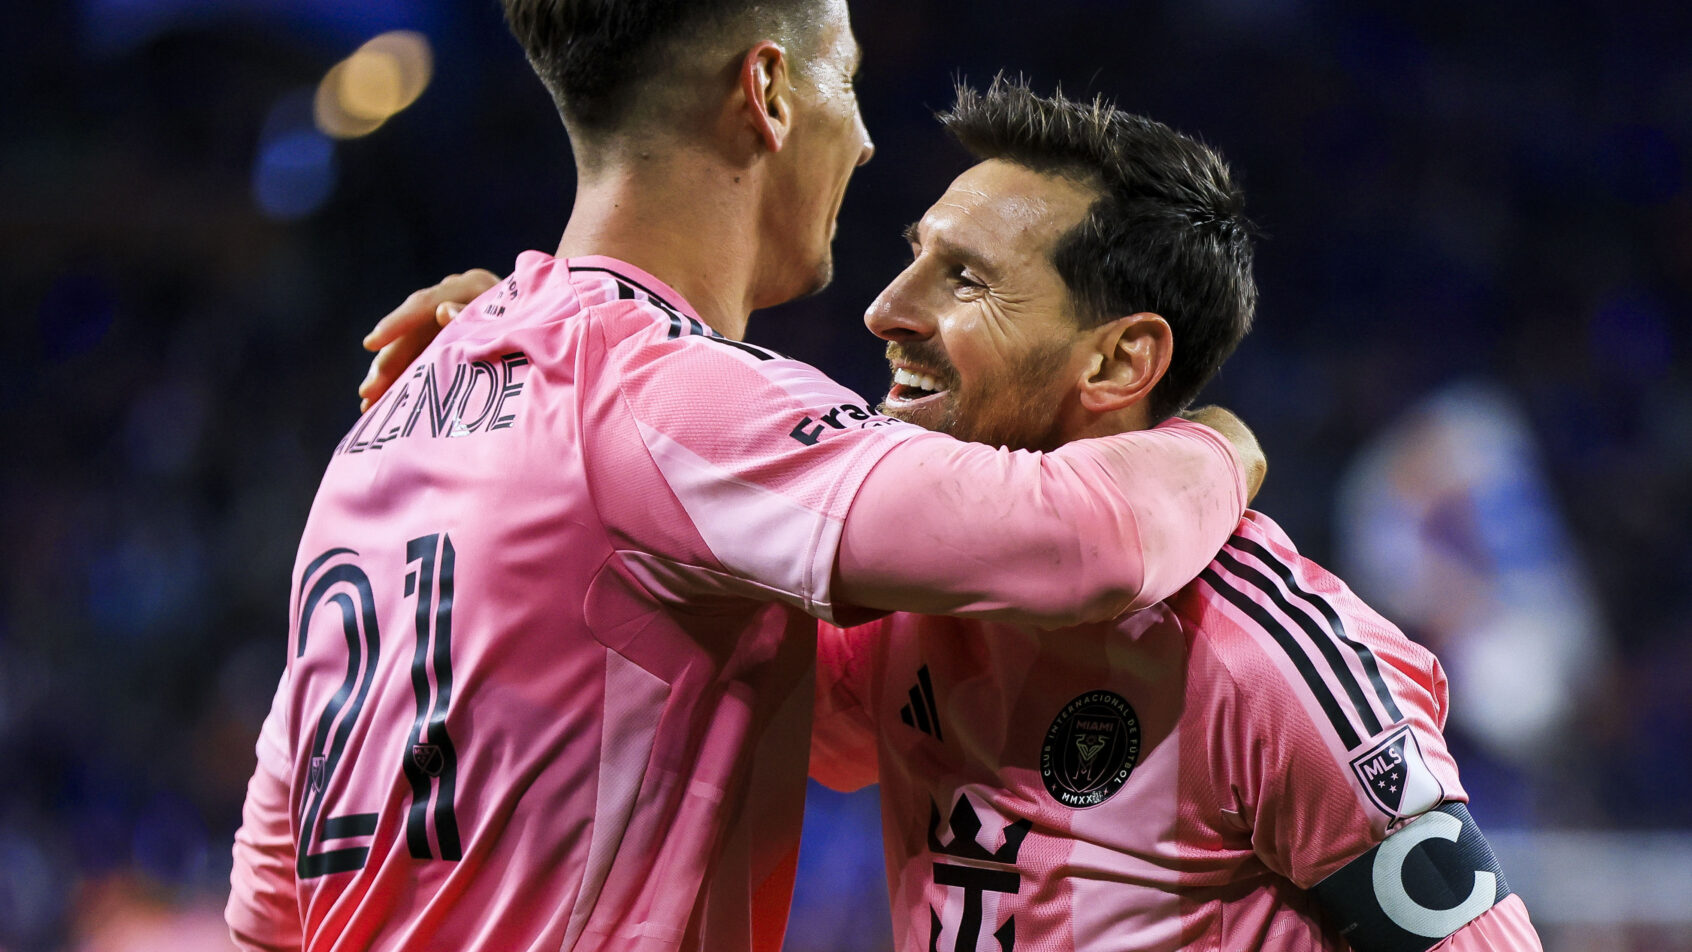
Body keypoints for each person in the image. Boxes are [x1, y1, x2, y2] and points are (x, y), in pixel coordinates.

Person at [386, 78, 1542, 951]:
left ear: (1119, 361)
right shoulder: (903, 608)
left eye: (966, 279)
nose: (887, 309)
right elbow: (713, 661)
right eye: (914, 259)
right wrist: (536, 356)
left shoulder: (1262, 656)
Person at [225, 3, 1261, 951]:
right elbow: (1084, 539)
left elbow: (271, 908)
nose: (862, 138)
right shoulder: (668, 400)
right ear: (766, 91)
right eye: (844, 79)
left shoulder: (403, 411)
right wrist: (1224, 438)